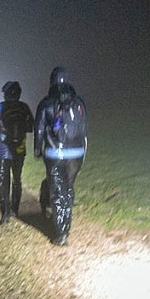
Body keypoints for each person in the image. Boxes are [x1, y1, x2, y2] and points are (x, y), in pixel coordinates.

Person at [34, 66, 87, 245]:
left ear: (52, 81)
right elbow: (84, 128)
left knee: (57, 191)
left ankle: (61, 232)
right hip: (77, 153)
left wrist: (37, 149)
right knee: (68, 188)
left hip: (55, 153)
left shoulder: (46, 103)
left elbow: (39, 128)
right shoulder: (79, 102)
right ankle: (65, 224)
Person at [0, 81, 34, 224]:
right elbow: (31, 126)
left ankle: (5, 214)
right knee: (17, 179)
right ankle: (15, 209)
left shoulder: (0, 107)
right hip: (20, 148)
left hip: (2, 148)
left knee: (2, 180)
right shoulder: (24, 107)